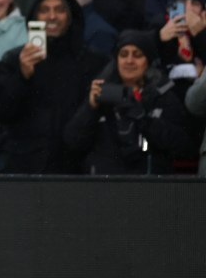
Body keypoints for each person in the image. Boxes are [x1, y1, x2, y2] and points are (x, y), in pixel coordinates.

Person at [0, 0, 108, 174]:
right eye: (44, 10)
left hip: (75, 168)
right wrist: (21, 76)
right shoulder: (14, 59)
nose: (52, 16)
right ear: (34, 16)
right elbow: (2, 113)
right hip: (24, 167)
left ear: (71, 16)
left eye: (60, 10)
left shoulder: (92, 61)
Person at [66, 30, 190, 174]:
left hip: (150, 185)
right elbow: (72, 142)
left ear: (148, 61)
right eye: (123, 54)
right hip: (105, 185)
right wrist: (90, 108)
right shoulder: (102, 93)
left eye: (137, 55)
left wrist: (144, 120)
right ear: (116, 60)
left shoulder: (162, 94)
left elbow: (184, 147)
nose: (129, 61)